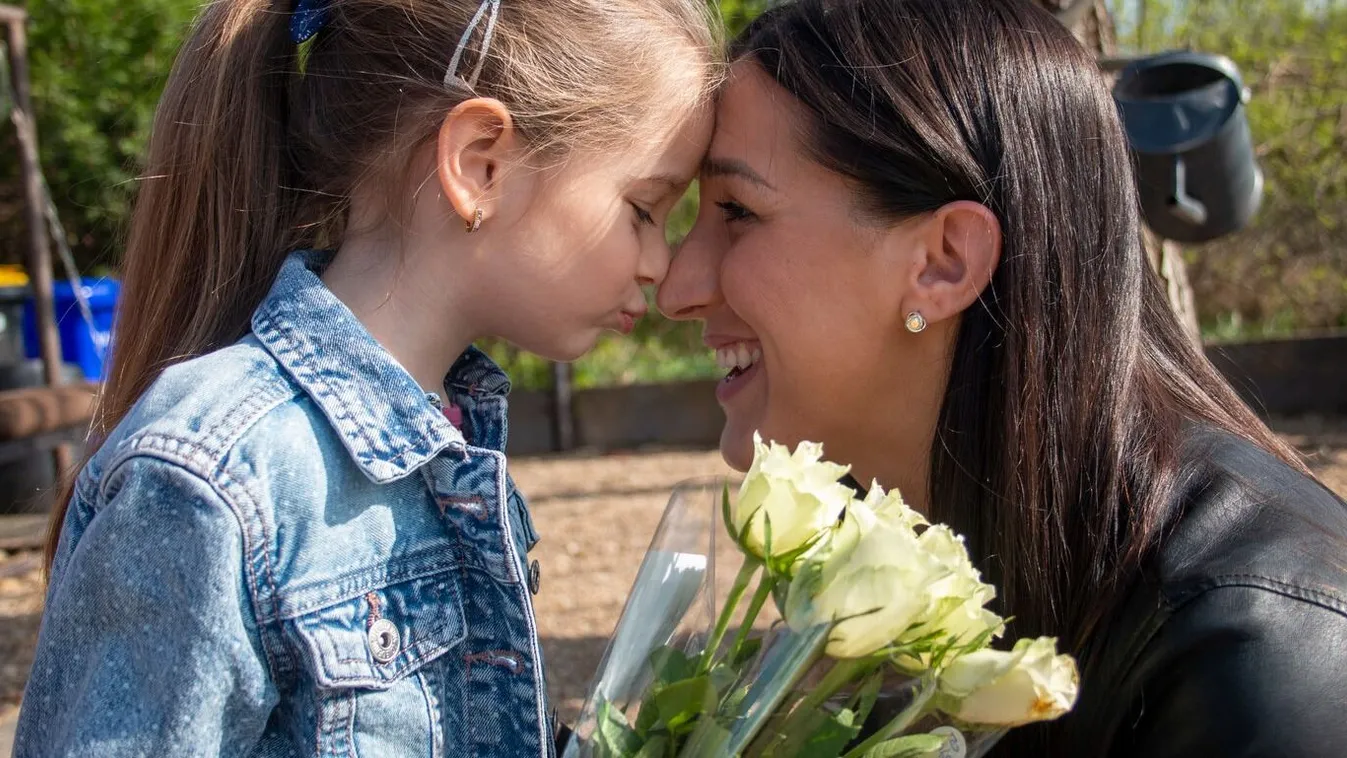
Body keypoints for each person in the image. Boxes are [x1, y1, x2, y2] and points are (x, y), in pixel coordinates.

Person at [16, 0, 719, 754]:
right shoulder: (213, 480)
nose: (662, 264)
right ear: (480, 162)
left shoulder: (450, 434)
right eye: (644, 209)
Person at [656, 0, 1347, 754]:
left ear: (942, 261)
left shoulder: (1254, 651)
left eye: (736, 210)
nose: (676, 286)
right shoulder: (886, 558)